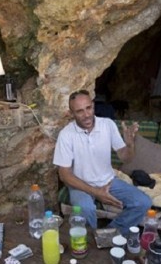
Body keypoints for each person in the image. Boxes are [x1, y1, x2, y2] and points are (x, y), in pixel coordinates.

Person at [53, 90, 152, 235]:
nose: (86, 114)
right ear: (71, 113)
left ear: (93, 105)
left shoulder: (108, 125)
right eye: (79, 111)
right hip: (80, 185)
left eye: (88, 108)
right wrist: (97, 193)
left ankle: (109, 234)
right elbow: (64, 175)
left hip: (108, 181)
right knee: (85, 208)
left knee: (143, 202)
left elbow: (126, 158)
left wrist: (130, 145)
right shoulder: (66, 135)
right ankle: (91, 241)